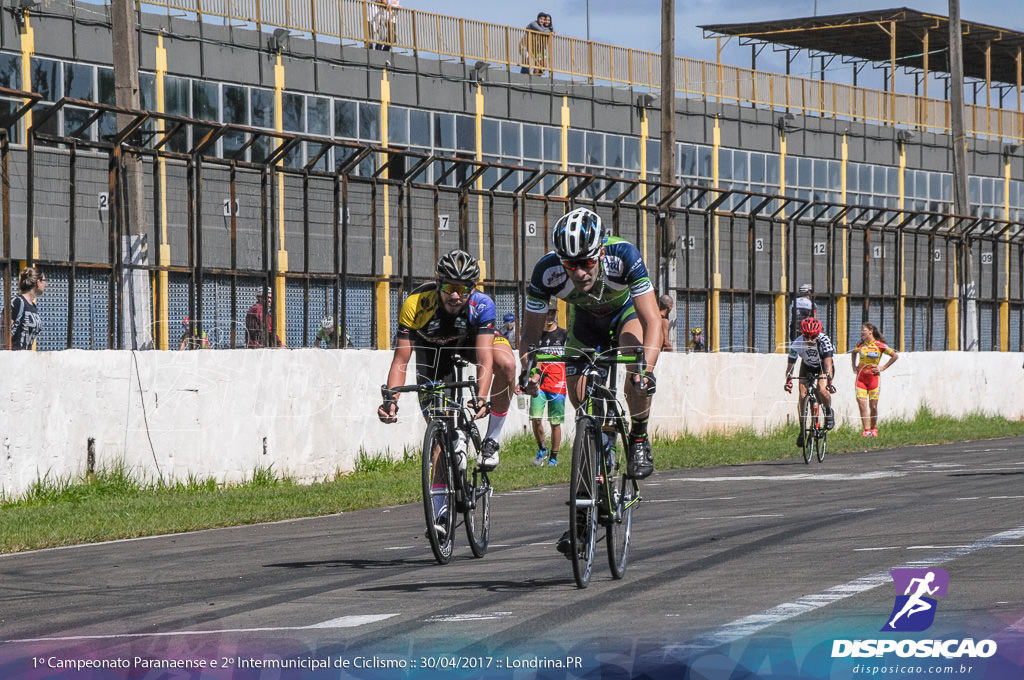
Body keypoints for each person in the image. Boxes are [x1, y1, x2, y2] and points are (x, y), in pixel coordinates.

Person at [519, 207, 660, 557]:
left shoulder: (623, 256)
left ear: (600, 252)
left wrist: (647, 369)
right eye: (571, 265)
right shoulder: (546, 272)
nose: (579, 272)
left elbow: (654, 321)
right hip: (585, 327)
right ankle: (582, 521)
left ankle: (639, 435)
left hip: (625, 317)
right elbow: (530, 338)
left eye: (586, 262)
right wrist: (530, 370)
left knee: (634, 361)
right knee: (585, 412)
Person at [377, 250, 517, 475]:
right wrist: (390, 400)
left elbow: (484, 359)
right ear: (437, 283)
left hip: (468, 341)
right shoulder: (416, 304)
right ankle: (440, 506)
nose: (455, 296)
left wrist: (481, 397)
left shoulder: (482, 304)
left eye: (462, 290)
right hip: (432, 350)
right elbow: (401, 361)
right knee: (439, 433)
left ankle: (491, 441)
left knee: (507, 364)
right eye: (448, 288)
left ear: (472, 288)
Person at [784, 316, 836, 448]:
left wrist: (828, 381)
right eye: (806, 336)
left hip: (822, 366)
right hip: (807, 366)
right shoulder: (797, 343)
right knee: (802, 395)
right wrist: (788, 380)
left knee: (822, 389)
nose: (809, 340)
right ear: (802, 334)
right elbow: (790, 366)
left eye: (813, 337)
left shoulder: (825, 341)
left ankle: (829, 411)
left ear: (818, 334)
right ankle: (802, 430)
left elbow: (828, 362)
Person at [526, 305, 567, 467]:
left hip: (558, 383)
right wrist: (525, 380)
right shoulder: (536, 336)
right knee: (536, 418)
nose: (549, 317)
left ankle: (554, 457)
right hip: (539, 383)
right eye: (547, 313)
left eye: (552, 313)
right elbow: (529, 360)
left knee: (555, 422)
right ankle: (542, 449)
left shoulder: (564, 335)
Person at [851, 322, 899, 437]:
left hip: (873, 379)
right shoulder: (860, 345)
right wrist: (854, 365)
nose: (861, 332)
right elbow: (853, 353)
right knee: (862, 405)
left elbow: (895, 356)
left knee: (873, 406)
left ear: (870, 331)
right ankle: (866, 430)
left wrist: (883, 367)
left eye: (864, 330)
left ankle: (873, 428)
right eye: (861, 330)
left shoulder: (879, 345)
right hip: (861, 379)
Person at [10, 266, 46, 350]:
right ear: (38, 282)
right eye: (44, 280)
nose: (45, 284)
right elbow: (3, 330)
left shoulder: (33, 306)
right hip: (12, 358)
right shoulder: (17, 302)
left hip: (26, 359)